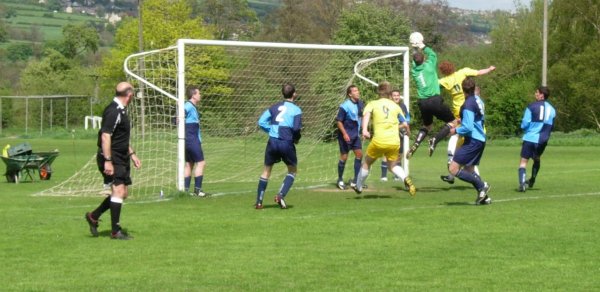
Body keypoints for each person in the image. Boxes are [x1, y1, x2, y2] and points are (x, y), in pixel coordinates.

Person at [85, 82, 142, 240]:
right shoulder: (113, 111)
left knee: (122, 193)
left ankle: (93, 216)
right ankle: (115, 231)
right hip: (112, 157)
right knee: (117, 191)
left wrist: (132, 154)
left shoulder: (121, 111)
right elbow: (105, 136)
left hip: (122, 156)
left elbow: (120, 138)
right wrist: (108, 160)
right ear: (129, 95)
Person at [352, 81, 416, 196]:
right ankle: (405, 178)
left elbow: (366, 115)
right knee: (393, 166)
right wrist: (408, 132)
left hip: (379, 141)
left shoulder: (373, 103)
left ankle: (359, 186)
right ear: (390, 93)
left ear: (378, 92)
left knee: (366, 162)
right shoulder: (395, 106)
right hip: (394, 141)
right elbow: (405, 123)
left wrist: (365, 130)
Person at [438, 61, 496, 184]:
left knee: (455, 148)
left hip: (464, 115)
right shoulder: (463, 72)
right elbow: (479, 72)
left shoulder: (445, 81)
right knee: (468, 162)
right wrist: (489, 69)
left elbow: (432, 87)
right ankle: (455, 176)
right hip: (474, 124)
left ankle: (478, 183)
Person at [405, 32, 458, 159]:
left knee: (427, 125)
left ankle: (416, 143)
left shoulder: (414, 70)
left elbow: (416, 59)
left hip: (423, 103)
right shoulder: (429, 66)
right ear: (424, 60)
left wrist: (414, 47)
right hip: (434, 100)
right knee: (453, 121)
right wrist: (421, 45)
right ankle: (435, 139)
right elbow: (432, 54)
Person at [255, 83, 302, 209]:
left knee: (266, 171)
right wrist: (296, 138)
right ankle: (280, 195)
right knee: (292, 170)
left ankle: (259, 202)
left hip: (273, 142)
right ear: (294, 94)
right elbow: (296, 128)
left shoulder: (274, 107)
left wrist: (271, 130)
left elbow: (261, 122)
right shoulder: (296, 110)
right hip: (286, 142)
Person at [447, 77, 491, 205]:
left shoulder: (468, 104)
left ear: (462, 89)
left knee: (453, 168)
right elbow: (474, 119)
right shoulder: (478, 100)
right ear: (473, 88)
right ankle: (484, 196)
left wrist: (455, 131)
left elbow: (468, 127)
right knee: (469, 169)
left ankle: (482, 185)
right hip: (480, 139)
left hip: (473, 140)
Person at [517, 86, 556, 192]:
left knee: (523, 161)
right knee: (537, 159)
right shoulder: (552, 109)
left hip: (530, 138)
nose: (535, 94)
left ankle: (522, 184)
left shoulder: (531, 106)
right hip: (543, 140)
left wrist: (525, 129)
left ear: (542, 95)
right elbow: (552, 126)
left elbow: (525, 124)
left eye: (537, 93)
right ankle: (532, 180)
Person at [335, 85, 363, 190]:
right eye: (355, 91)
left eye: (357, 90)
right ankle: (340, 180)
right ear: (350, 94)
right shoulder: (345, 106)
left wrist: (363, 130)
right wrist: (345, 134)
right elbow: (339, 121)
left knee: (359, 154)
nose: (357, 92)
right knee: (344, 157)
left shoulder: (360, 103)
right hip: (345, 136)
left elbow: (361, 117)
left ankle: (355, 180)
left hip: (355, 135)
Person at [380, 89, 410, 181]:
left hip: (400, 133)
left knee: (399, 155)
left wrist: (404, 126)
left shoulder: (402, 106)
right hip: (389, 133)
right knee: (386, 153)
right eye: (394, 95)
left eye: (398, 95)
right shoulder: (388, 106)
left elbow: (407, 118)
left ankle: (397, 176)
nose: (396, 97)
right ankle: (384, 176)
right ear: (391, 97)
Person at [184, 86, 207, 197]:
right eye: (198, 93)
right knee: (201, 163)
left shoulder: (192, 106)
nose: (200, 95)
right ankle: (198, 190)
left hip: (189, 138)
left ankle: (186, 191)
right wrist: (177, 119)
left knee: (189, 164)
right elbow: (180, 114)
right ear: (193, 95)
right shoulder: (188, 105)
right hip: (191, 138)